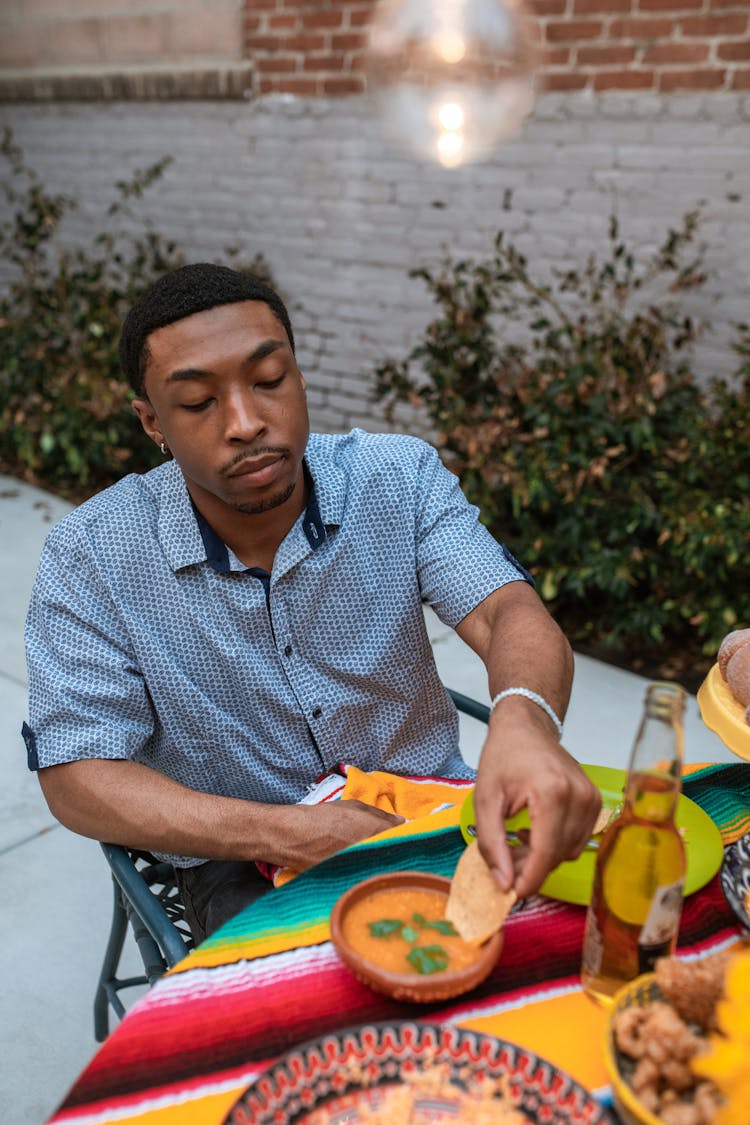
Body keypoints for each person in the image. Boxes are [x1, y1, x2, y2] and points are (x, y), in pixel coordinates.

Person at [23, 263, 600, 943]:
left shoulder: (397, 477)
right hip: (237, 852)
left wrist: (525, 723)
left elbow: (506, 610)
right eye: (199, 402)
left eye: (269, 380)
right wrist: (287, 831)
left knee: (584, 941)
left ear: (298, 376)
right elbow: (78, 773)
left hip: (429, 808)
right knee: (322, 1031)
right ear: (152, 421)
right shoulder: (92, 555)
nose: (245, 422)